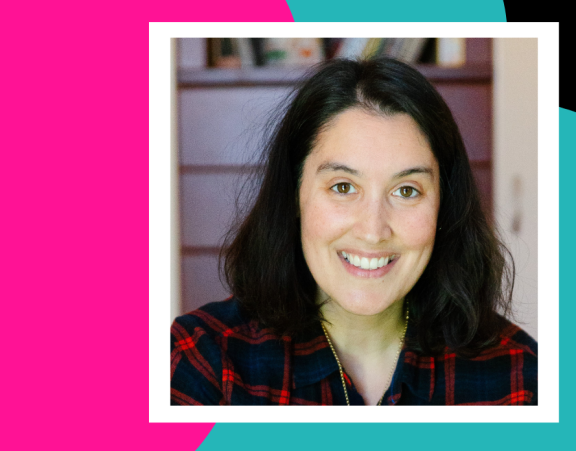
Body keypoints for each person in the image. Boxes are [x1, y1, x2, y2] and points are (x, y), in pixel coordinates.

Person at [170, 58, 537, 405]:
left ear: (445, 206)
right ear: (294, 196)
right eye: (343, 187)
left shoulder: (519, 377)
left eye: (406, 191)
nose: (373, 230)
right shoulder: (203, 363)